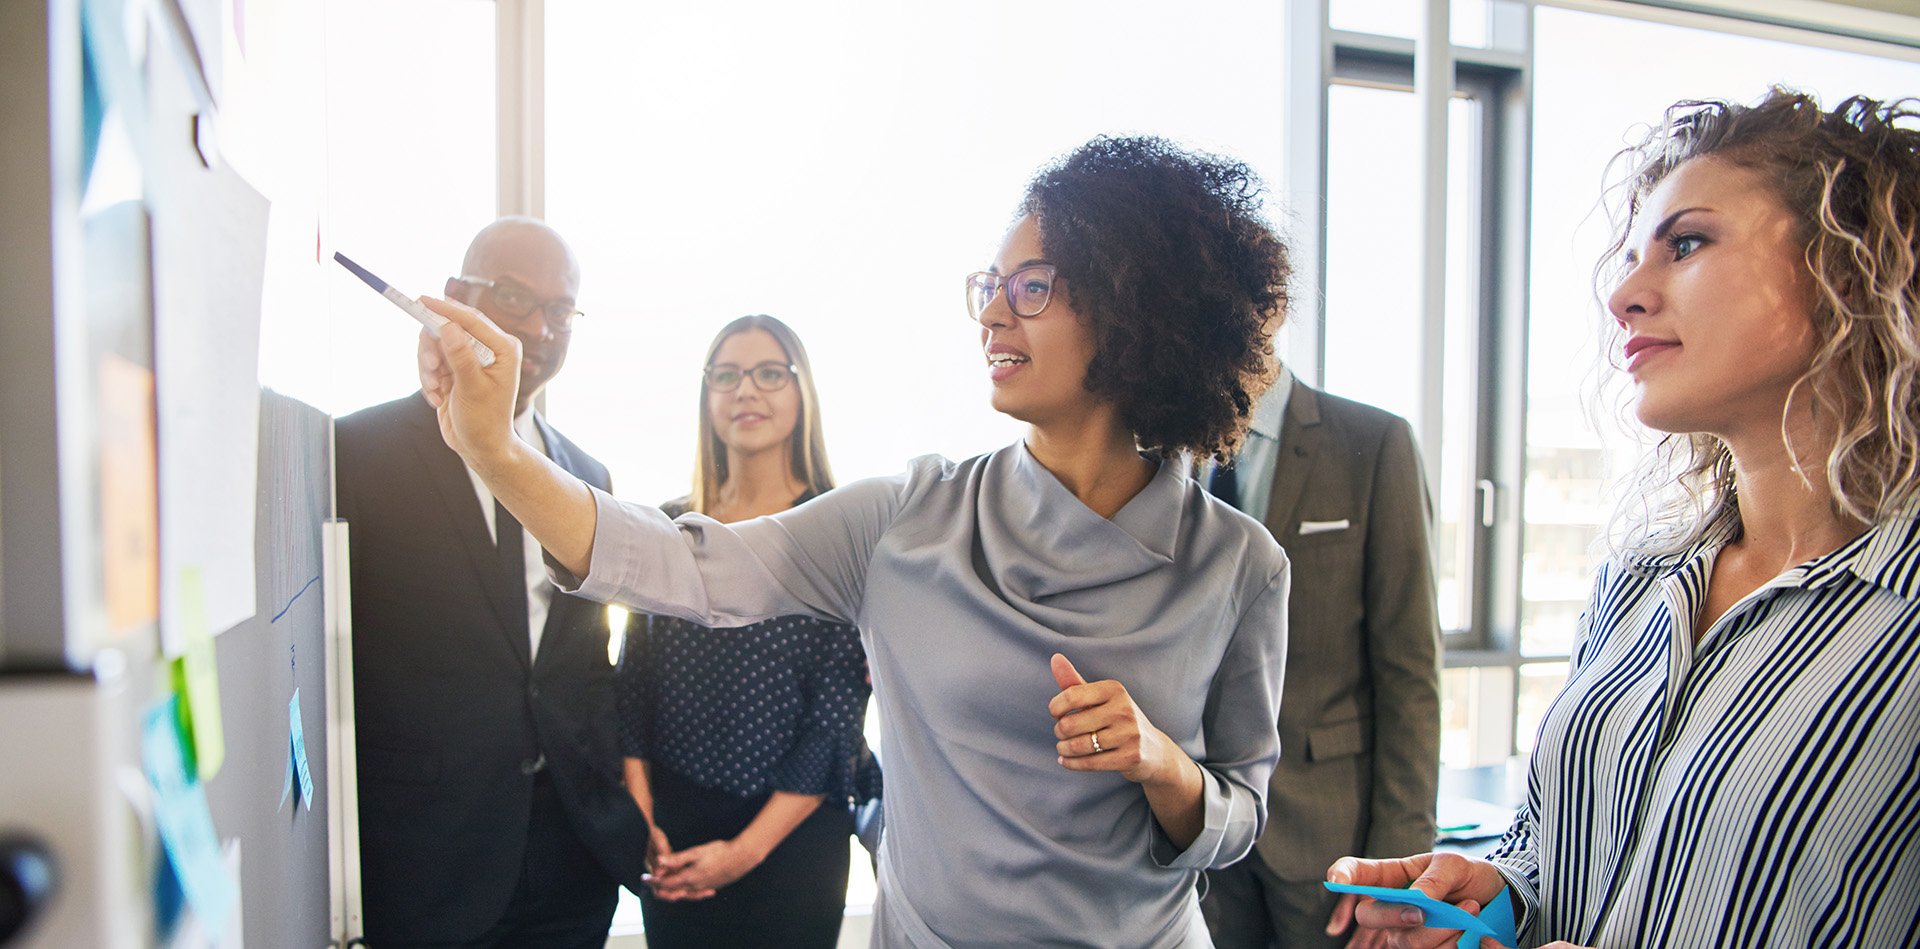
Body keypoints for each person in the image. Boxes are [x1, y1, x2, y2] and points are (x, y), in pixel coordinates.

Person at [418, 136, 1294, 946]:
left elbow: (1239, 814)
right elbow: (678, 562)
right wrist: (494, 450)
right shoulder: (903, 517)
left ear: (1133, 308)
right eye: (987, 285)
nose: (991, 314)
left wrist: (1164, 765)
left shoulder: (1240, 566)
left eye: (1031, 286)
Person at [1330, 89, 1920, 948]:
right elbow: (1558, 854)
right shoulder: (1639, 576)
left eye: (1686, 244)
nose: (1625, 296)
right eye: (1635, 255)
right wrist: (1498, 892)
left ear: (1847, 267)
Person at [336, 217, 650, 948]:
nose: (540, 327)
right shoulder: (355, 453)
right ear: (453, 298)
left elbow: (580, 662)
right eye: (514, 297)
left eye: (561, 309)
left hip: (571, 846)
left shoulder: (588, 478)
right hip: (427, 853)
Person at [616, 314, 878, 946]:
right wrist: (642, 826)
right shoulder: (668, 528)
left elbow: (834, 723)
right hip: (670, 836)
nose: (746, 391)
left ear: (801, 391)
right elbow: (632, 690)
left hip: (791, 841)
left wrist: (743, 853)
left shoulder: (842, 532)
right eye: (726, 375)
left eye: (768, 373)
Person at [1199, 366, 1441, 948]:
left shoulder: (1373, 442)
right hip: (1200, 837)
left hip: (1331, 840)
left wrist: (1398, 870)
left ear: (1273, 297)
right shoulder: (1164, 448)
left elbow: (1409, 674)